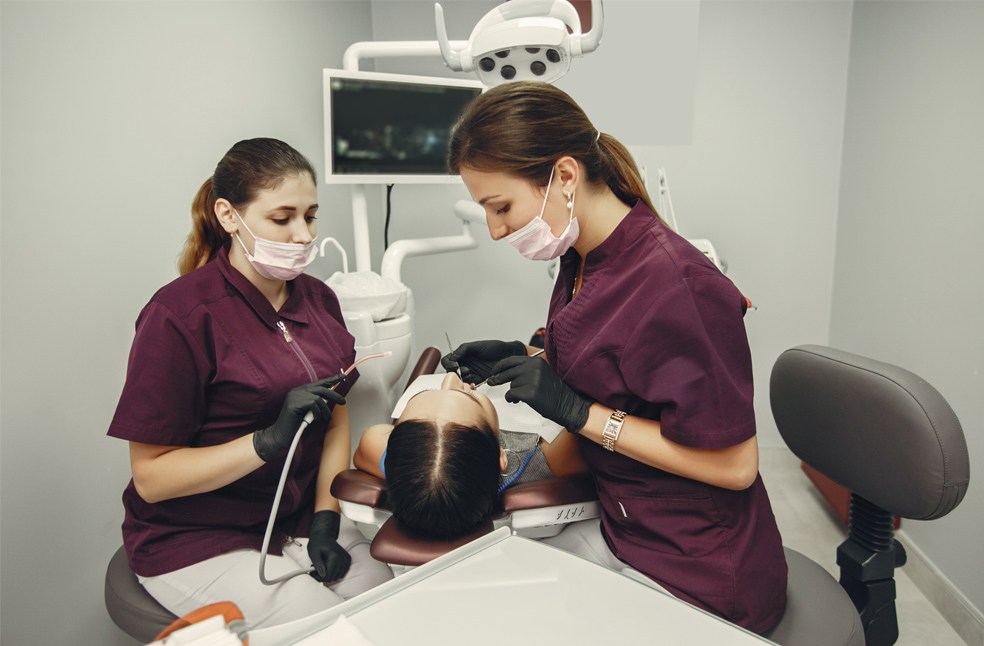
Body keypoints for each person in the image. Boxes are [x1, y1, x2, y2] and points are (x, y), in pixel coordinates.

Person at [441, 82, 788, 634]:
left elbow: (736, 466)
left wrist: (579, 413)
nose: (495, 229)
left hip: (699, 572)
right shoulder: (585, 258)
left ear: (565, 177)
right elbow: (615, 360)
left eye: (500, 206)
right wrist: (527, 354)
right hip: (629, 528)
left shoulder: (679, 286)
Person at [107, 138, 392, 628]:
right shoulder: (179, 315)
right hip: (196, 537)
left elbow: (335, 420)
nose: (303, 235)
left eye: (311, 215)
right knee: (323, 628)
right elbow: (152, 479)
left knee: (388, 599)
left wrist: (325, 521)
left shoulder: (319, 301)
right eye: (282, 219)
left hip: (296, 520)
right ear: (229, 215)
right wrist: (265, 442)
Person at [353, 371, 588, 539]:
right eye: (469, 397)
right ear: (500, 458)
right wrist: (533, 353)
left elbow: (373, 437)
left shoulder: (383, 452)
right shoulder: (552, 455)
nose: (450, 378)